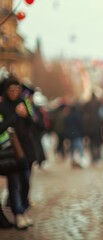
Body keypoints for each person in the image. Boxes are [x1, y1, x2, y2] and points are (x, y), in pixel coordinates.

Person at [0, 76, 37, 229]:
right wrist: (15, 115)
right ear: (6, 91)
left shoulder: (24, 103)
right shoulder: (2, 107)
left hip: (26, 151)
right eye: (11, 90)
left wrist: (26, 115)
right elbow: (1, 129)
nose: (15, 92)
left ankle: (22, 210)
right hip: (11, 152)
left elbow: (33, 124)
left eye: (17, 89)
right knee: (14, 184)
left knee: (26, 183)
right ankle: (18, 214)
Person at [82, 93, 103, 163]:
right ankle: (98, 156)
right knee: (97, 143)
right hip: (97, 126)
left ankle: (93, 157)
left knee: (91, 143)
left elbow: (84, 114)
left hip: (90, 127)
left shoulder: (87, 104)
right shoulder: (99, 103)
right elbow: (102, 114)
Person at [63, 104, 85, 168]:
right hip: (77, 134)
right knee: (80, 147)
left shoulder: (68, 116)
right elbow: (80, 125)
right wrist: (82, 133)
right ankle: (81, 159)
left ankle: (73, 160)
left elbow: (65, 126)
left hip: (70, 135)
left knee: (72, 148)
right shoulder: (77, 116)